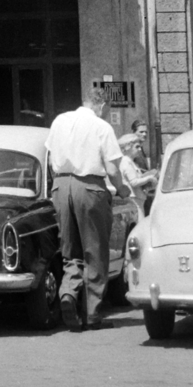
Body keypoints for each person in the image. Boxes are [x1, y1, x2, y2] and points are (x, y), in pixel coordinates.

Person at [46, 86, 132, 331]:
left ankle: (68, 293)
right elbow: (113, 170)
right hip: (90, 187)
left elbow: (52, 161)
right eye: (107, 109)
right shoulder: (101, 127)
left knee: (70, 248)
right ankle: (92, 314)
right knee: (94, 251)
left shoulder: (60, 121)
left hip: (61, 186)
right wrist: (123, 190)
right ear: (102, 105)